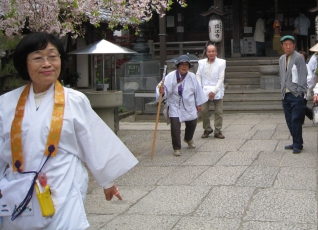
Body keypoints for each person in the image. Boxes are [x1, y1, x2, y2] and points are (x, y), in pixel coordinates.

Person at [0, 32, 138, 230]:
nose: (47, 64)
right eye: (38, 58)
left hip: (61, 182)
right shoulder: (6, 103)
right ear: (25, 63)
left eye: (52, 56)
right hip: (18, 187)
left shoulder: (74, 100)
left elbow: (92, 140)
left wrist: (107, 181)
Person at [157, 55, 207, 156]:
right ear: (178, 66)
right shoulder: (170, 76)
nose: (184, 67)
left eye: (186, 65)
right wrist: (162, 91)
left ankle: (188, 138)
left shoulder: (192, 76)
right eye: (182, 65)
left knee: (192, 122)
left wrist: (198, 103)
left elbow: (197, 90)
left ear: (189, 66)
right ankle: (177, 147)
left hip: (189, 103)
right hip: (175, 104)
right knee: (175, 126)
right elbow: (162, 88)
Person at [279, 35, 307, 154]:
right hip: (285, 93)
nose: (288, 47)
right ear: (282, 46)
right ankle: (297, 141)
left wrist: (300, 91)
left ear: (294, 45)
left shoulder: (298, 58)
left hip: (296, 93)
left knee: (296, 119)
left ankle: (297, 145)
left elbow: (302, 74)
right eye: (285, 45)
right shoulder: (281, 59)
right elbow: (282, 75)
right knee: (289, 120)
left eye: (290, 44)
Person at [197, 43, 226, 139]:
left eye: (213, 51)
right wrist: (199, 88)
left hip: (217, 88)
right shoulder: (201, 63)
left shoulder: (221, 63)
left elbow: (221, 78)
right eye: (209, 51)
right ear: (206, 52)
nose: (211, 53)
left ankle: (218, 130)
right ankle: (207, 128)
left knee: (218, 111)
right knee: (203, 110)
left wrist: (214, 91)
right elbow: (198, 76)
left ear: (216, 52)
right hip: (204, 89)